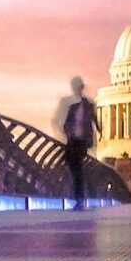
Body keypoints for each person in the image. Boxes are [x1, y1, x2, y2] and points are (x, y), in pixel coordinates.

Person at [51, 77, 98, 207]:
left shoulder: (88, 104)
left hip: (81, 142)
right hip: (72, 141)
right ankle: (79, 194)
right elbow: (57, 121)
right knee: (75, 168)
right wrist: (64, 134)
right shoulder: (70, 103)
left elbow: (95, 123)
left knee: (76, 168)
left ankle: (79, 197)